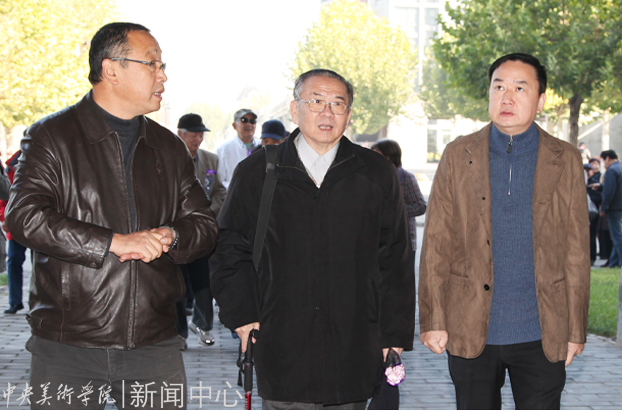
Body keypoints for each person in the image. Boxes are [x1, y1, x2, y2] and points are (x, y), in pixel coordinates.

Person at [5, 22, 217, 409]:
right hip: (68, 344)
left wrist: (170, 236)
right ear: (111, 70)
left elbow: (203, 224)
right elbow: (24, 216)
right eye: (151, 64)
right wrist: (112, 242)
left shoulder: (168, 147)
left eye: (162, 65)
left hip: (155, 342)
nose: (163, 76)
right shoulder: (52, 136)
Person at [210, 68, 416, 409]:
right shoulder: (259, 172)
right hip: (281, 340)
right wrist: (241, 314)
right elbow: (229, 247)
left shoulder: (375, 173)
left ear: (348, 114)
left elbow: (395, 258)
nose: (327, 113)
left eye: (337, 104)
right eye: (316, 101)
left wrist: (393, 333)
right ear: (295, 110)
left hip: (353, 341)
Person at [419, 53, 590, 410]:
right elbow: (436, 243)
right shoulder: (458, 154)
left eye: (520, 88)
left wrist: (575, 329)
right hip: (471, 325)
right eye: (498, 87)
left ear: (540, 101)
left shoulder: (566, 159)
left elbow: (576, 250)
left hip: (542, 329)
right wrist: (433, 319)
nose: (507, 97)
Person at [175, 113, 226, 347]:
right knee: (178, 285)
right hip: (178, 232)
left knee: (204, 281)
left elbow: (219, 191)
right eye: (193, 135)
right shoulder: (169, 158)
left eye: (200, 135)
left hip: (203, 232)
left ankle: (203, 324)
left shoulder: (211, 160)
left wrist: (209, 212)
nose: (198, 139)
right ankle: (179, 333)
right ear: (181, 134)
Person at [371, 139, 426, 259]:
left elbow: (421, 206)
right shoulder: (370, 178)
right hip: (375, 243)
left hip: (402, 243)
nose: (372, 158)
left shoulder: (406, 178)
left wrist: (395, 210)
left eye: (377, 154)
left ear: (389, 157)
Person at [1, 151, 28, 315]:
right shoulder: (11, 166)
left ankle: (38, 302)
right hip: (16, 223)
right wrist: (4, 218)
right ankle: (15, 301)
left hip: (40, 222)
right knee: (13, 260)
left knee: (41, 264)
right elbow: (4, 197)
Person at [216, 108, 260, 188]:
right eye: (244, 120)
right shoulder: (223, 151)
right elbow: (220, 182)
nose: (249, 124)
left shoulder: (263, 147)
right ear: (234, 125)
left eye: (252, 121)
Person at [599, 150, 622, 269]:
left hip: (614, 208)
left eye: (604, 161)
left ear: (607, 158)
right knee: (617, 235)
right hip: (620, 206)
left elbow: (609, 191)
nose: (604, 163)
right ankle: (613, 262)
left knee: (617, 236)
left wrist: (603, 208)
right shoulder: (620, 168)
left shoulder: (612, 170)